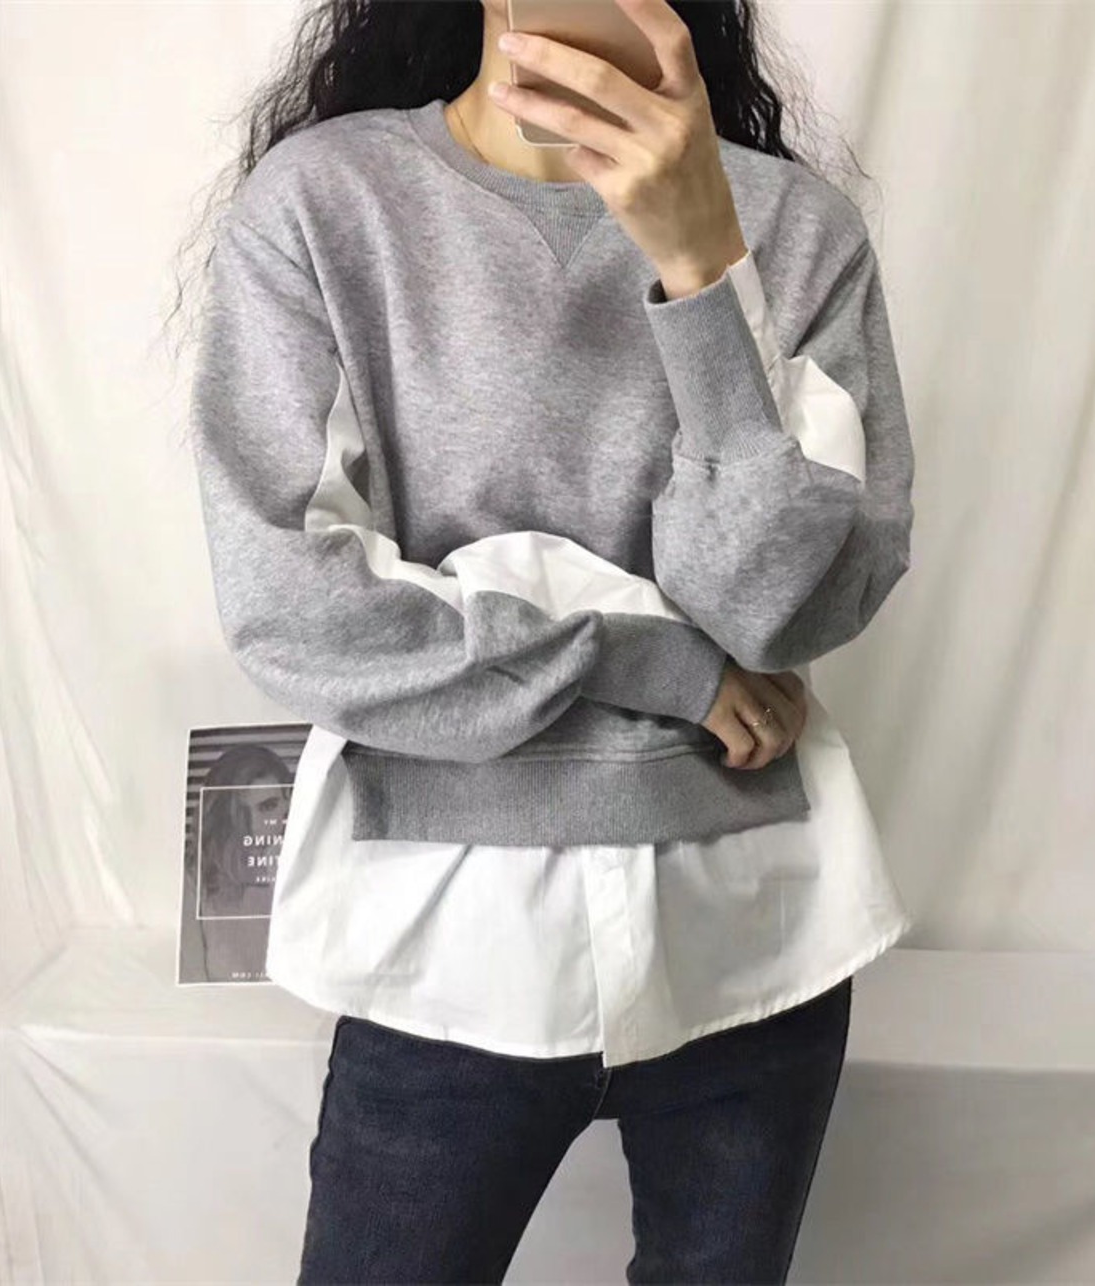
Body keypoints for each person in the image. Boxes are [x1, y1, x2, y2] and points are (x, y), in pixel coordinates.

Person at [181, 0, 917, 1279]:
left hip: (751, 931)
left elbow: (784, 611)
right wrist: (658, 661)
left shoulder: (795, 230)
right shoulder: (326, 206)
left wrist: (703, 272)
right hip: (445, 946)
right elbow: (294, 608)